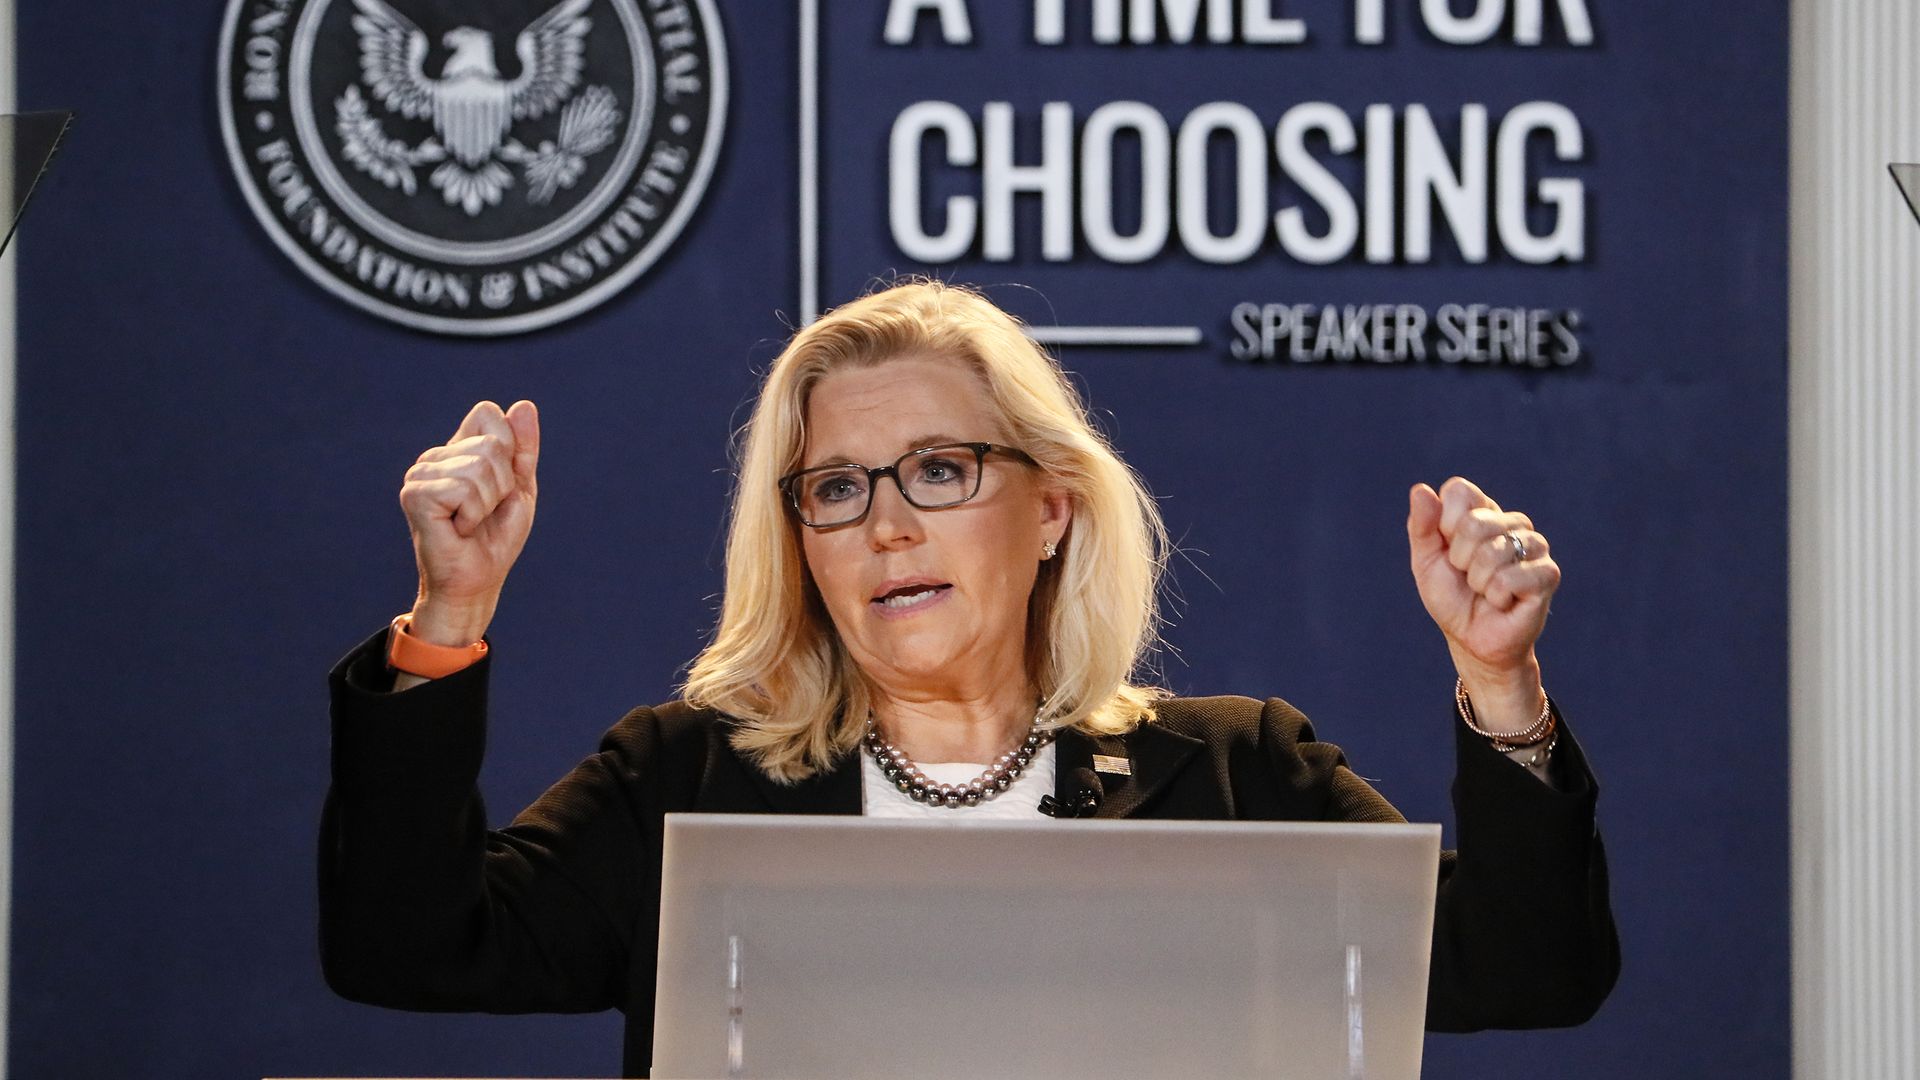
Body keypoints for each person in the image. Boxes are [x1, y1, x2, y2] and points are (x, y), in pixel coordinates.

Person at [321, 281, 1619, 1078]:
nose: (887, 525)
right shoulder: (688, 776)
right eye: (837, 487)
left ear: (1051, 506)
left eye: (938, 471)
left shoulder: (1237, 776)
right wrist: (450, 616)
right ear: (801, 538)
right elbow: (409, 948)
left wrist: (1498, 683)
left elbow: (1529, 976)